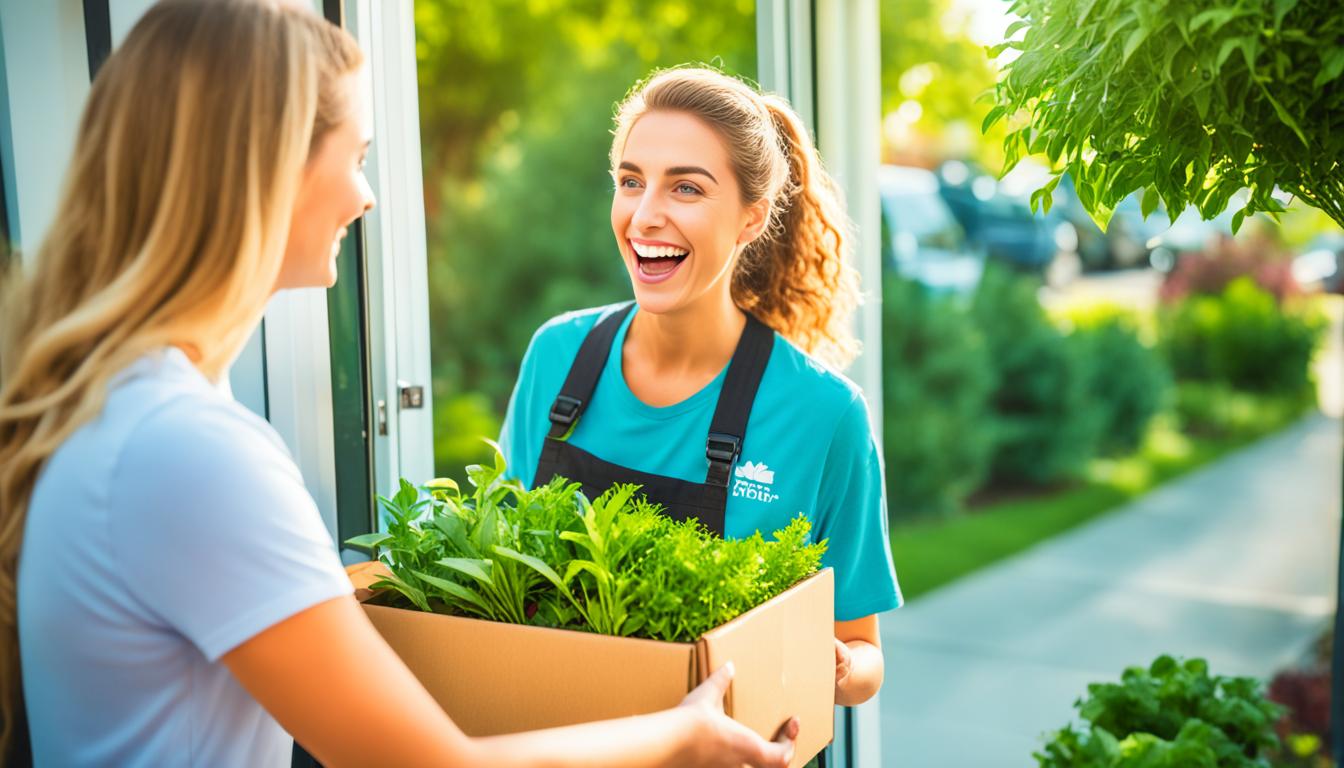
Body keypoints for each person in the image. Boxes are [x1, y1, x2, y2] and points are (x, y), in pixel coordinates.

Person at [0, 3, 795, 765]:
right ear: (264, 172)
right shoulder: (188, 452)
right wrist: (682, 735)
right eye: (353, 157)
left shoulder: (124, 405)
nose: (366, 195)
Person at [500, 66, 903, 721]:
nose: (645, 214)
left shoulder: (824, 417)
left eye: (686, 187)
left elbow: (865, 653)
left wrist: (834, 663)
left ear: (751, 218)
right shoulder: (558, 356)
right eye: (631, 181)